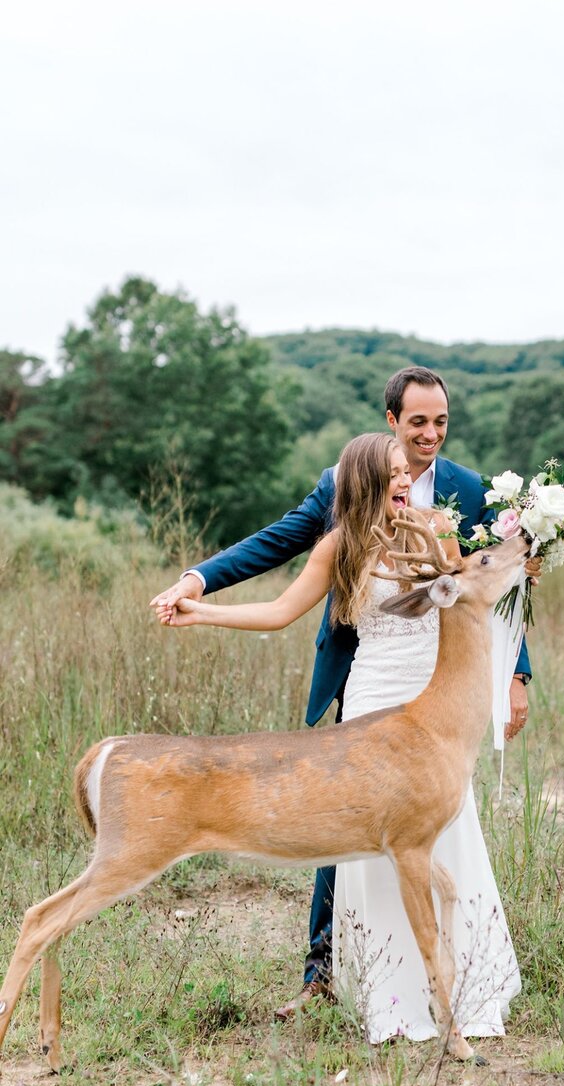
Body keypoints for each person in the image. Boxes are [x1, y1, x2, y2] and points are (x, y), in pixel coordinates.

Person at [151, 366, 532, 1016]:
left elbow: (484, 586)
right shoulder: (339, 518)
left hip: (436, 690)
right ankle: (340, 977)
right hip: (371, 684)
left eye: (440, 422)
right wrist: (200, 591)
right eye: (417, 424)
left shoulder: (453, 507)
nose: (428, 440)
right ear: (391, 425)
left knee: (447, 829)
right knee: (346, 830)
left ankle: (468, 986)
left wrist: (517, 661)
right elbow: (275, 574)